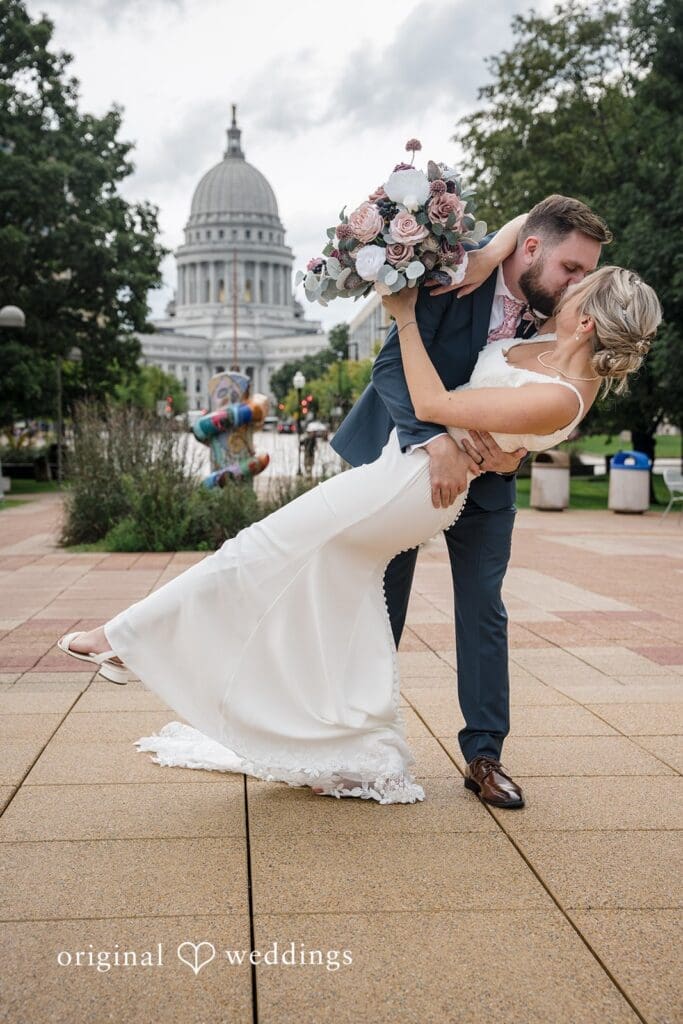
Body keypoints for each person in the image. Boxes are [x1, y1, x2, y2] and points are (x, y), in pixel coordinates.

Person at [57, 259, 660, 807]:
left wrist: (400, 315)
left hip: (409, 486)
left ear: (587, 326)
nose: (566, 290)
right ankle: (352, 746)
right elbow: (512, 253)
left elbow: (434, 400)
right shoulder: (546, 345)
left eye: (579, 292)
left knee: (256, 552)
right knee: (340, 599)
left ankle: (123, 639)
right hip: (407, 475)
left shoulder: (561, 396)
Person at [331, 194, 612, 808]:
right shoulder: (454, 275)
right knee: (383, 604)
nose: (578, 286)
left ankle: (485, 756)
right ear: (530, 249)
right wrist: (434, 443)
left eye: (587, 276)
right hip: (406, 459)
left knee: (484, 610)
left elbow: (552, 401)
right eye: (572, 270)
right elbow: (389, 369)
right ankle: (357, 740)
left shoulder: (561, 315)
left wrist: (515, 453)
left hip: (489, 478)